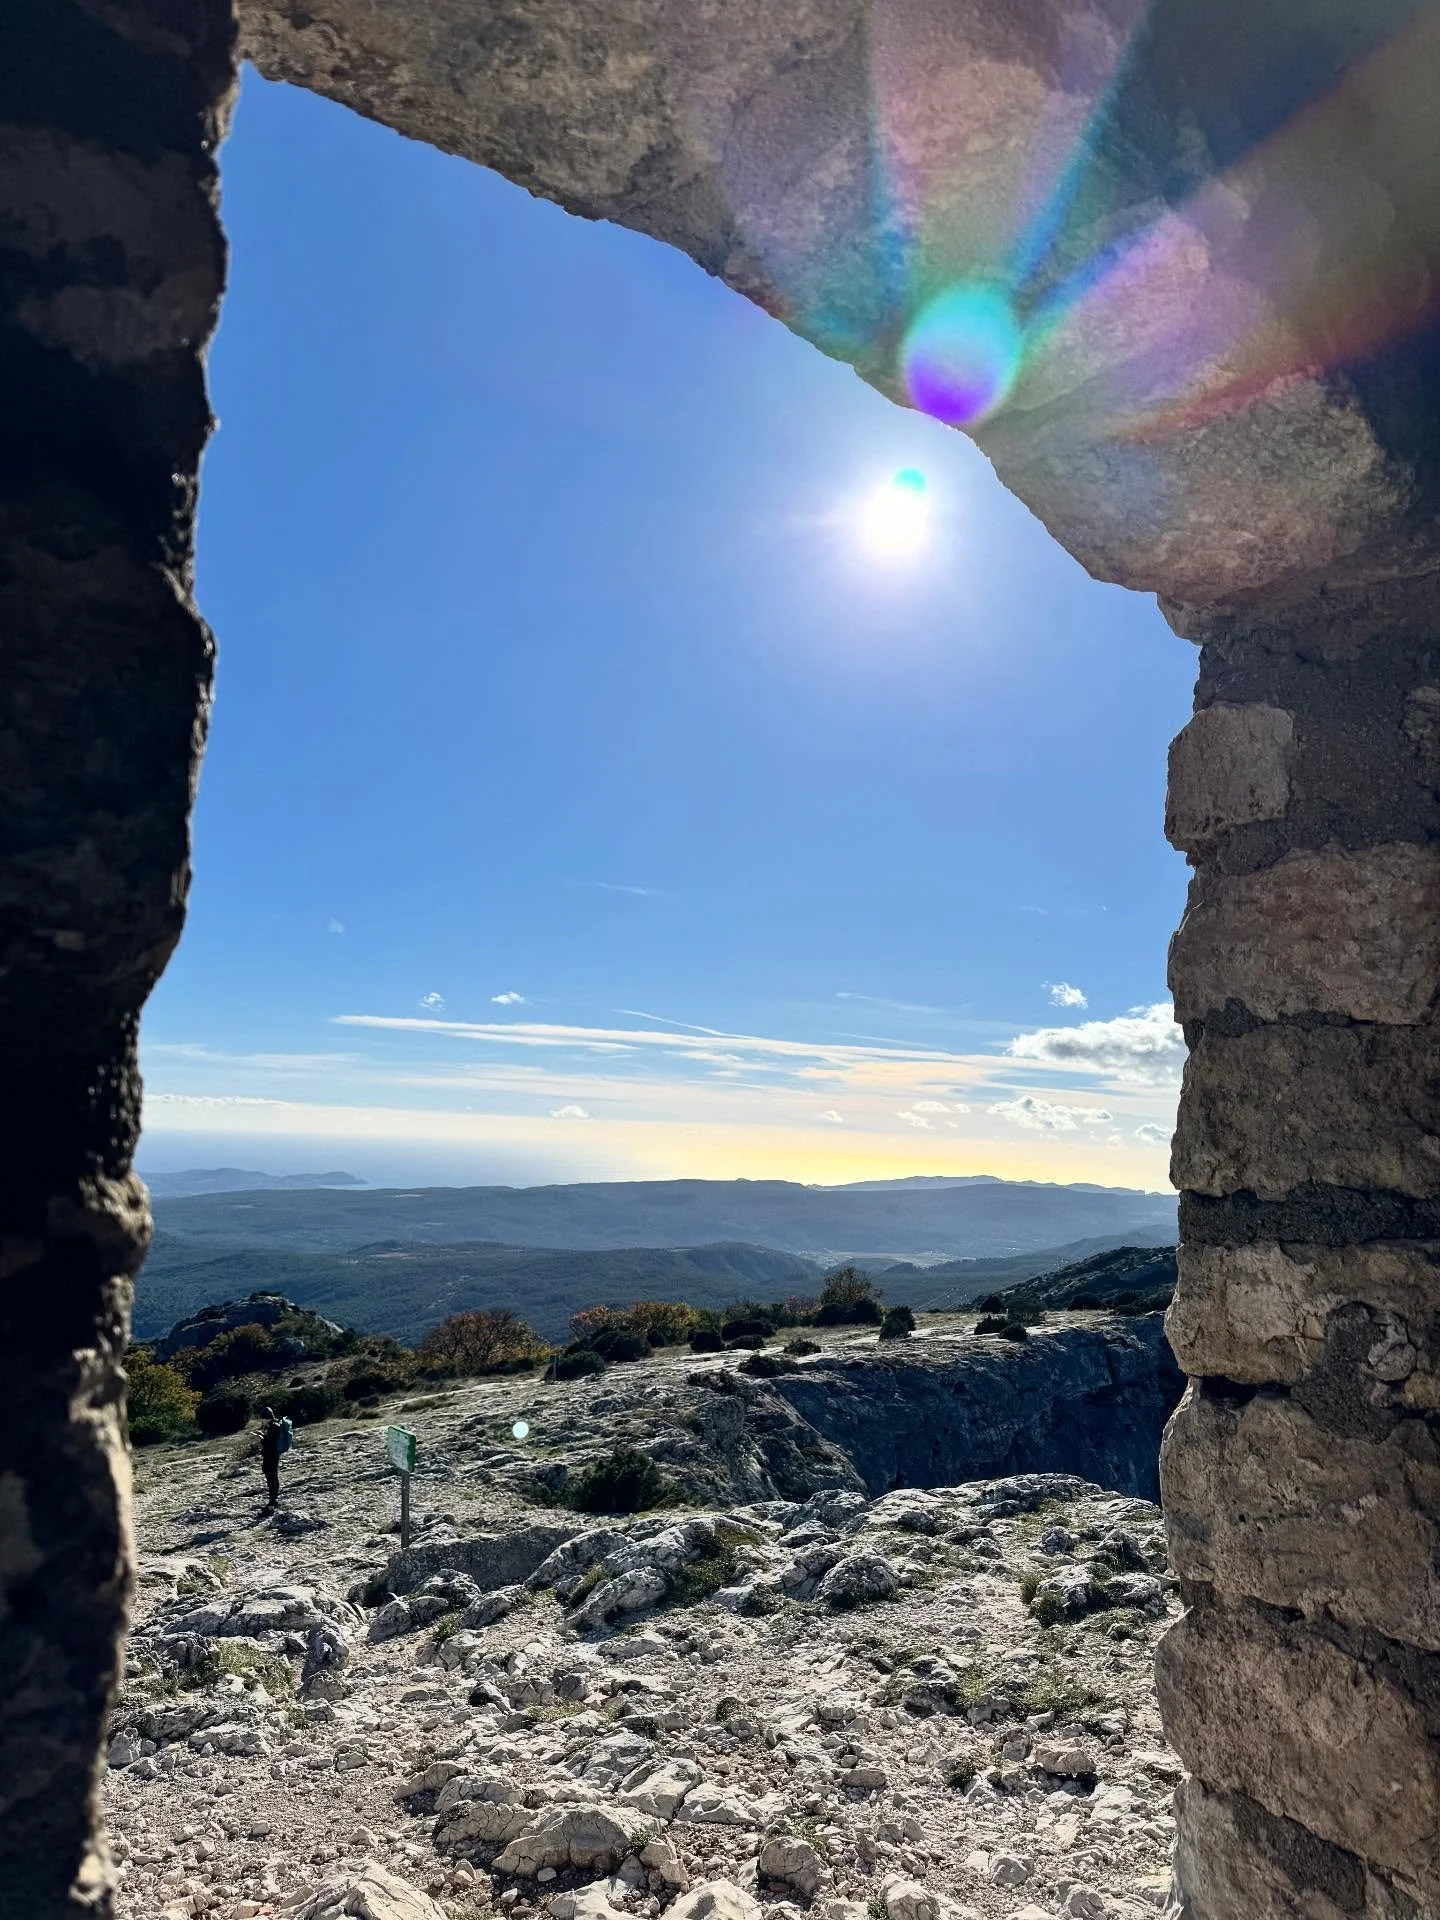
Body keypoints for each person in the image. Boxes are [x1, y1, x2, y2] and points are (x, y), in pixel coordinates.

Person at [259, 1406, 289, 1510]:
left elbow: (269, 1443)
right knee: (273, 1478)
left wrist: (260, 1439)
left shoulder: (272, 1426)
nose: (261, 1421)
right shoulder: (275, 1424)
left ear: (265, 1417)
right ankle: (274, 1501)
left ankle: (272, 1504)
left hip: (270, 1456)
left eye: (262, 1418)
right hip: (274, 1455)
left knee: (271, 1479)